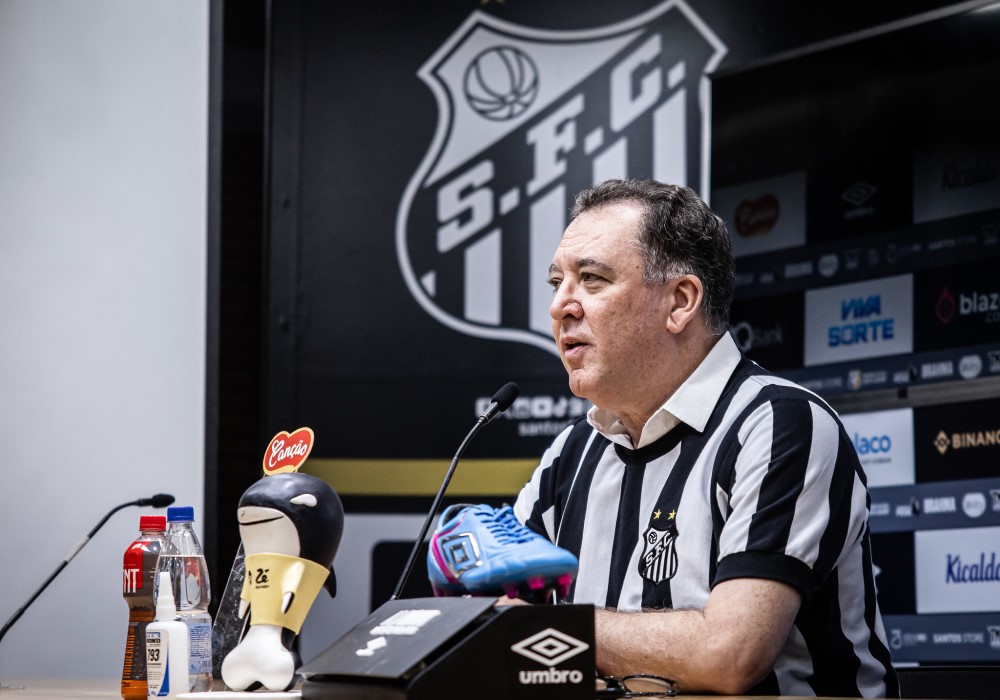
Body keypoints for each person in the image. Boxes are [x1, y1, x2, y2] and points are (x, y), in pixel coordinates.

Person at [511, 178, 898, 697]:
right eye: (557, 282)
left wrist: (546, 629)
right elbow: (493, 630)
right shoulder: (570, 453)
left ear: (681, 301)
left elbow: (729, 655)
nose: (561, 306)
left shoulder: (779, 422)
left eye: (593, 280)